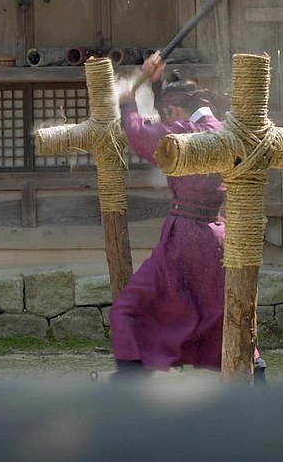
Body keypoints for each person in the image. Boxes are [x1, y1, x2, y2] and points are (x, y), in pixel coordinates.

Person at [110, 53, 266, 382]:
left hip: (183, 241)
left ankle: (131, 381)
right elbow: (164, 124)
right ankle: (256, 374)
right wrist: (154, 83)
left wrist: (128, 103)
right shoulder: (225, 132)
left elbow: (139, 135)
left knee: (130, 308)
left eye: (167, 112)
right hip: (218, 240)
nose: (166, 119)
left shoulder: (185, 136)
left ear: (175, 111)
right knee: (223, 313)